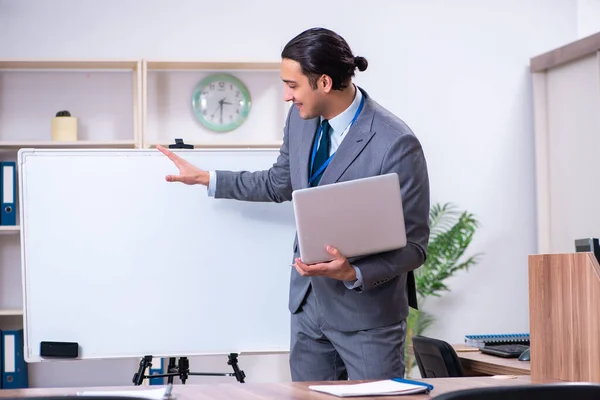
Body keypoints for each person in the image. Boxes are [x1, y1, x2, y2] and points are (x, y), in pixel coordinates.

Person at [157, 27, 430, 382]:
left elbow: (414, 247)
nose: (286, 96)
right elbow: (278, 183)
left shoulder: (396, 143)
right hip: (307, 311)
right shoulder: (300, 122)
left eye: (293, 85)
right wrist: (208, 178)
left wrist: (353, 273)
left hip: (367, 320)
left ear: (325, 83)